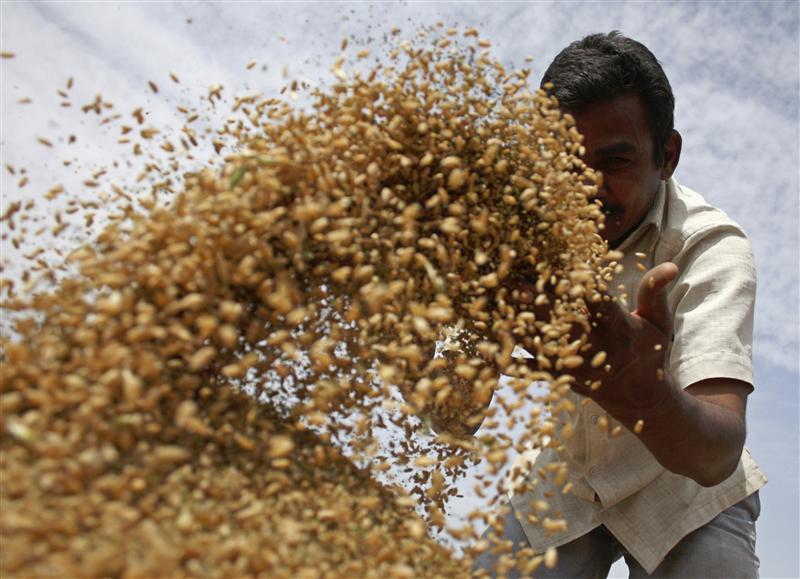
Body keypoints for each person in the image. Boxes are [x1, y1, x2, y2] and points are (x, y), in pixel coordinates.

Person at [472, 32, 766, 578]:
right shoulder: (519, 235)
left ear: (667, 156)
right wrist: (429, 361)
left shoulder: (708, 246)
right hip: (571, 477)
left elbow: (716, 453)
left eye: (615, 161)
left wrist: (647, 399)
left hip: (683, 495)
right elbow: (454, 417)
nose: (585, 189)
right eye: (563, 164)